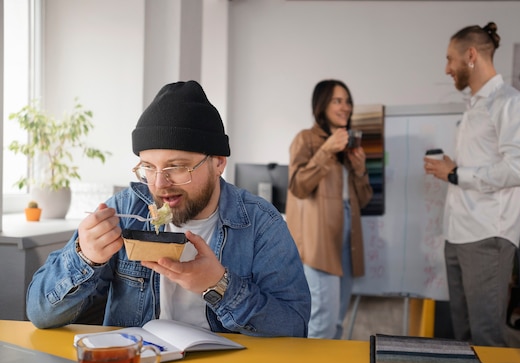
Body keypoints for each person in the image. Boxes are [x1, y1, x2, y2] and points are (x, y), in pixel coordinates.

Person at [26, 80, 311, 337]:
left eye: (176, 167)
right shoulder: (124, 211)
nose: (160, 184)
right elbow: (39, 313)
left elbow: (294, 327)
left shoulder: (260, 223)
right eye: (148, 167)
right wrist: (85, 258)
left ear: (218, 163)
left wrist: (218, 285)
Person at [423, 22, 520, 346]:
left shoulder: (512, 104)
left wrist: (458, 174)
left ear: (470, 55)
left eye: (450, 59)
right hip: (457, 233)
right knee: (464, 337)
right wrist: (453, 169)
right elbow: (478, 166)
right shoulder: (475, 106)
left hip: (488, 236)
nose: (447, 69)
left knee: (486, 337)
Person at [286, 79, 373, 339]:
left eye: (348, 101)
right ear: (322, 105)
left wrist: (359, 170)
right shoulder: (306, 139)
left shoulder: (349, 146)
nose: (345, 106)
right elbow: (298, 186)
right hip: (319, 241)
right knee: (322, 321)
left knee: (337, 321)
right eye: (338, 100)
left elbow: (363, 200)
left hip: (347, 238)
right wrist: (326, 150)